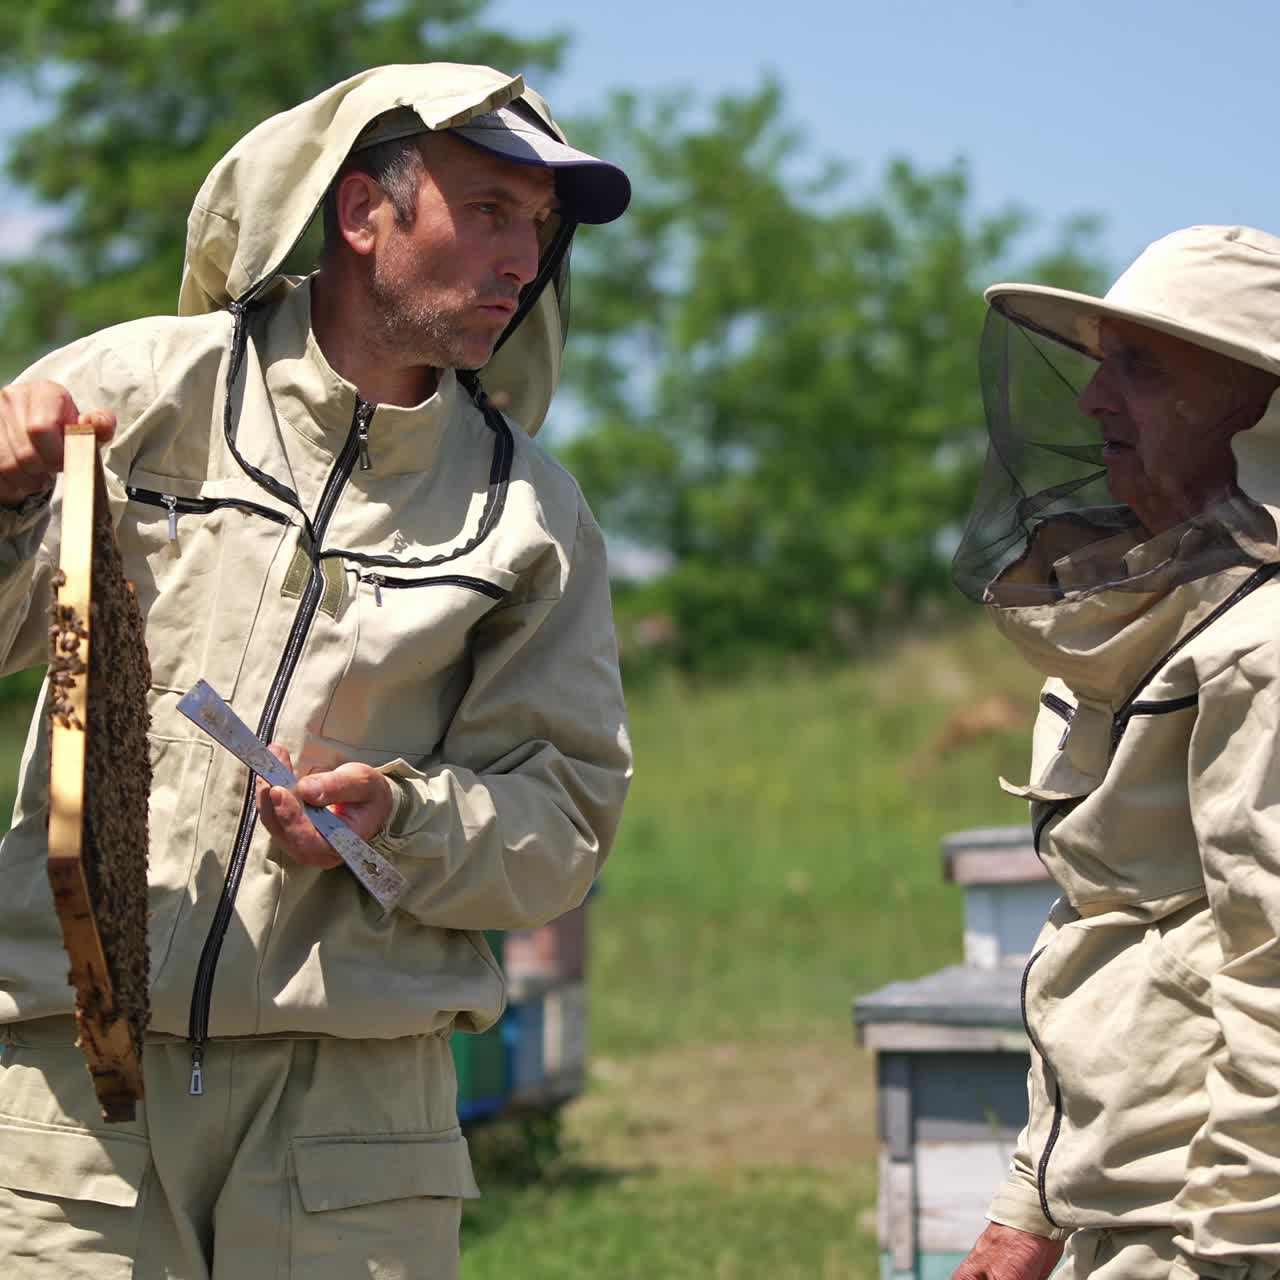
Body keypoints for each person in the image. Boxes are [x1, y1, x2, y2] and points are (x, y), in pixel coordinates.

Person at [0, 63, 633, 1279]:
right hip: (73, 1099)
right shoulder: (138, 394)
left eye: (540, 231)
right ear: (361, 214)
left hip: (355, 1128)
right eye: (490, 211)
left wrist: (405, 816)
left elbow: (562, 826)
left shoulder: (531, 518)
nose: (523, 259)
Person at [950, 225, 1280, 1280]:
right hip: (1128, 1211)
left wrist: (1234, 1250)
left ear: (1254, 408)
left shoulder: (1261, 650)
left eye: (1137, 368)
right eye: (1097, 365)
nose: (1094, 401)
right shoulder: (1146, 617)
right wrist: (1029, 1204)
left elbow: (1271, 971)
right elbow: (1110, 931)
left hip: (1208, 1230)